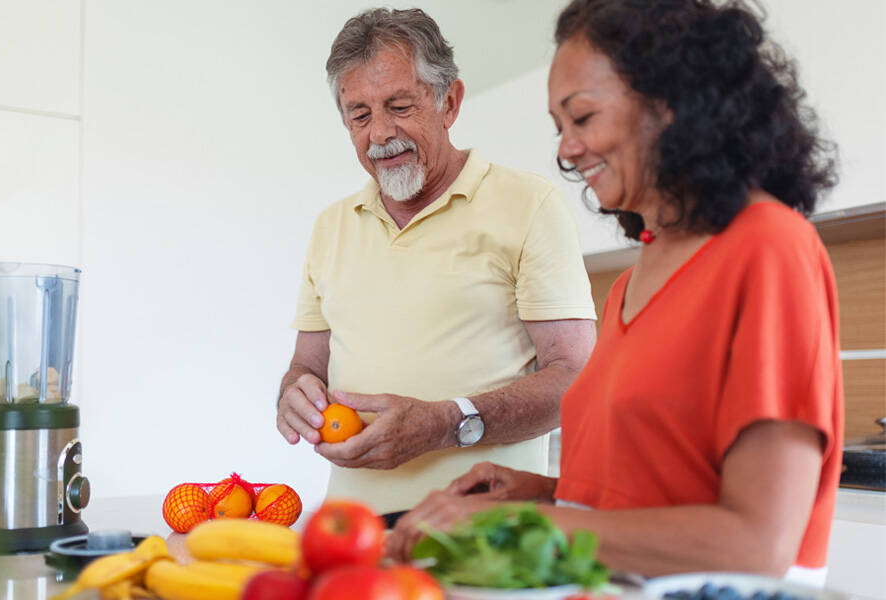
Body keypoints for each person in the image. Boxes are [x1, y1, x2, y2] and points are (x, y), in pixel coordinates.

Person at [387, 0, 842, 585]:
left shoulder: (769, 247)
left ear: (672, 105)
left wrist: (534, 527)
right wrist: (543, 497)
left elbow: (755, 546)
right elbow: (652, 496)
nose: (565, 150)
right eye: (560, 127)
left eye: (582, 117)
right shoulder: (634, 278)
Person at [276, 8, 598, 515]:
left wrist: (448, 422)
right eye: (359, 115)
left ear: (449, 102)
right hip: (351, 536)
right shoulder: (330, 225)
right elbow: (306, 367)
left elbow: (577, 377)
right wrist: (293, 396)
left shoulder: (530, 204)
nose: (380, 134)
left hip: (486, 535)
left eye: (399, 106)